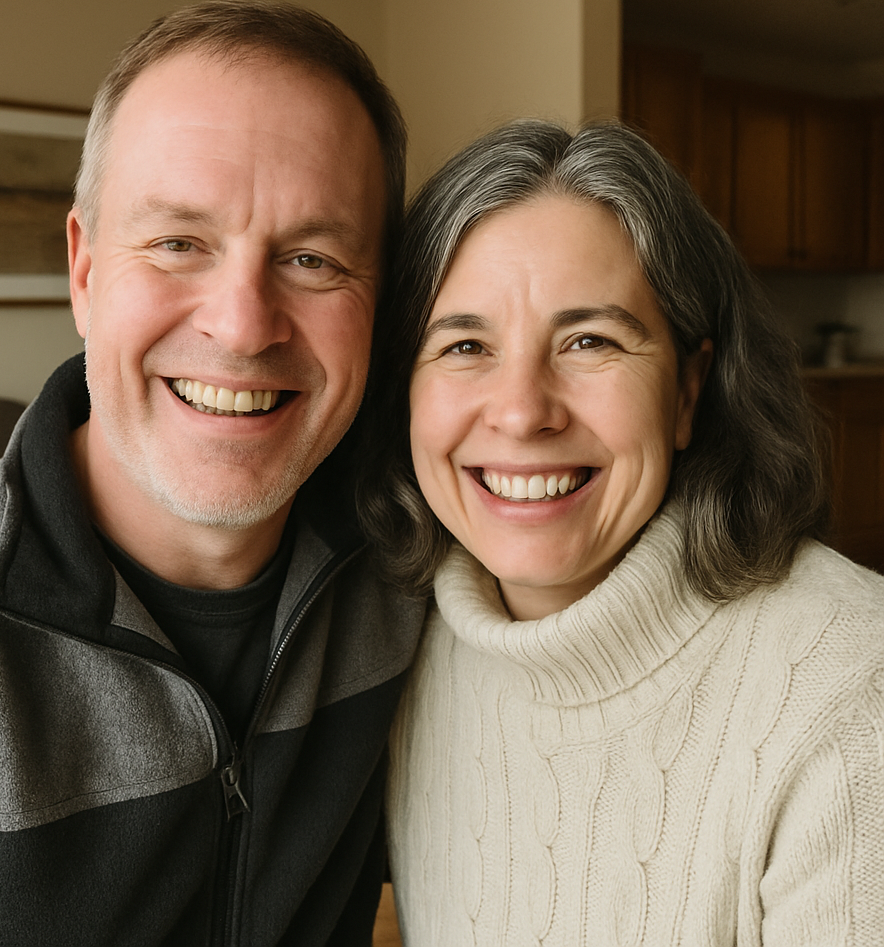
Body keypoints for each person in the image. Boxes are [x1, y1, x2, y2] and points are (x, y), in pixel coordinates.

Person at [0, 1, 424, 946]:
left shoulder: (415, 565)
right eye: (177, 243)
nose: (243, 326)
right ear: (83, 272)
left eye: (313, 258)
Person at [360, 119, 884, 945]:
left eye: (591, 340)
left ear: (687, 392)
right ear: (405, 396)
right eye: (465, 344)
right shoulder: (393, 644)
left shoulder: (851, 684)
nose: (523, 410)